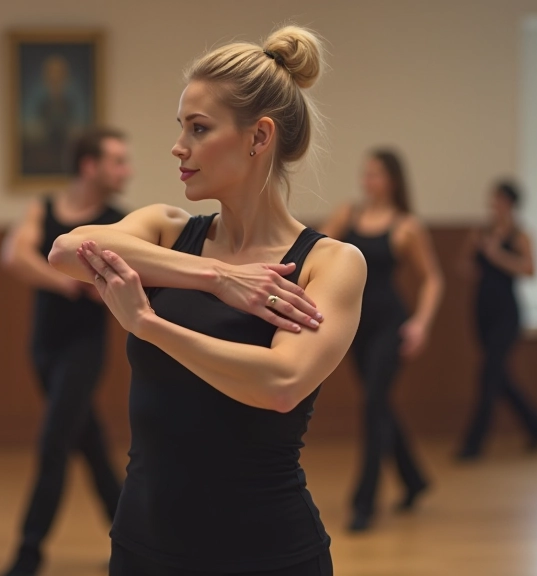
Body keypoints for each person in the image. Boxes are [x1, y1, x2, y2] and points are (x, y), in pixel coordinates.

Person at [48, 25, 364, 576]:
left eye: (199, 128)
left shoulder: (328, 263)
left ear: (259, 137)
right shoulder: (169, 230)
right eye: (181, 128)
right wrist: (216, 276)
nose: (178, 146)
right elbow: (67, 250)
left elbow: (281, 384)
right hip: (144, 546)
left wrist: (148, 324)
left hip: (267, 554)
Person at [0, 127, 132, 576]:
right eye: (117, 161)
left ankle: (28, 554)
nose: (125, 170)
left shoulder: (118, 221)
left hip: (84, 349)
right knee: (89, 445)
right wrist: (68, 281)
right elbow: (15, 255)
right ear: (89, 166)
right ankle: (135, 544)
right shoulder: (46, 207)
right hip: (43, 348)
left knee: (55, 443)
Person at [319, 148, 444, 533]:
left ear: (391, 180)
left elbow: (433, 280)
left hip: (391, 325)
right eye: (365, 173)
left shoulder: (406, 226)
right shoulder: (347, 215)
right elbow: (318, 251)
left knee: (373, 403)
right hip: (355, 326)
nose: (366, 180)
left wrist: (421, 324)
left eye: (374, 174)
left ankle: (364, 503)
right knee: (379, 404)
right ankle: (414, 479)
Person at [456, 180, 537, 460]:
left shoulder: (521, 235)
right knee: (498, 376)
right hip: (482, 310)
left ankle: (473, 445)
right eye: (493, 199)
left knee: (488, 376)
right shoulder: (481, 232)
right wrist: (477, 257)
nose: (494, 204)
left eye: (499, 199)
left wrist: (498, 255)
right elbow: (463, 266)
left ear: (510, 203)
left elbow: (530, 270)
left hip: (508, 313)